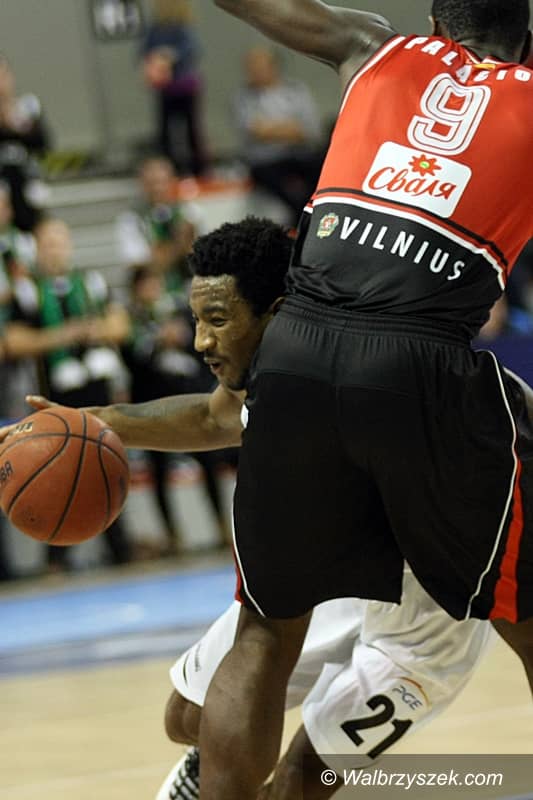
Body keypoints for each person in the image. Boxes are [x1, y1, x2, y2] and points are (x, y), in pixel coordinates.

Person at [17, 217, 498, 799]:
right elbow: (212, 416)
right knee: (187, 716)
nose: (200, 341)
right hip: (341, 580)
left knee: (299, 781)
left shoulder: (353, 366)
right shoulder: (275, 363)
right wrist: (91, 422)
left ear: (276, 312)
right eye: (197, 320)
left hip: (424, 614)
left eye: (218, 320)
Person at [195, 1, 533, 796]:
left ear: (436, 21)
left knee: (263, 633)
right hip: (419, 363)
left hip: (296, 346)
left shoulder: (372, 46)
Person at [4, 217, 132, 570]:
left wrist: (93, 331)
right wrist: (64, 335)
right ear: (36, 250)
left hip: (98, 391)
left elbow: (121, 325)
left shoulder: (90, 282)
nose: (55, 251)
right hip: (53, 397)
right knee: (57, 473)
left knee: (105, 466)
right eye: (48, 244)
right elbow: (12, 341)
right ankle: (56, 557)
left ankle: (120, 548)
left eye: (59, 243)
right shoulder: (28, 291)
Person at [234, 46, 324, 227]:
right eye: (251, 67)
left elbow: (310, 130)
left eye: (260, 66)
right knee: (290, 195)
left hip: (300, 155)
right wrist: (289, 128)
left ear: (274, 66)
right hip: (266, 162)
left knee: (322, 172)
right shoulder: (243, 98)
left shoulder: (296, 91)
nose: (255, 72)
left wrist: (271, 129)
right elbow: (255, 131)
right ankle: (300, 223)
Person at [141, 0, 208, 176]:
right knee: (166, 131)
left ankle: (199, 169)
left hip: (185, 87)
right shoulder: (154, 30)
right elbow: (143, 51)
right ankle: (170, 169)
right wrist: (154, 59)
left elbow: (193, 49)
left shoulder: (184, 28)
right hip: (165, 88)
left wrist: (170, 55)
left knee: (191, 129)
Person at [0, 54, 50, 232]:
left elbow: (43, 144)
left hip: (27, 191)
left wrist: (16, 126)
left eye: (2, 76)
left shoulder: (28, 107)